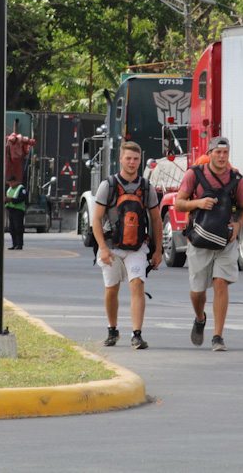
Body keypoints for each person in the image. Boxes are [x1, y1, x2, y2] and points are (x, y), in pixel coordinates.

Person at [175, 136, 243, 351]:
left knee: (220, 283)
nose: (222, 157)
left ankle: (218, 336)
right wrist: (199, 203)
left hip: (225, 240)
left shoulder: (236, 178)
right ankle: (200, 318)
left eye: (225, 153)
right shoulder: (194, 174)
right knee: (197, 291)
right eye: (217, 152)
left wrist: (238, 225)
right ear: (209, 153)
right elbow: (179, 203)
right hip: (199, 240)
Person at [92, 141, 163, 350]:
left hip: (137, 247)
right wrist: (102, 248)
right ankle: (112, 329)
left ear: (140, 160)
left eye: (136, 159)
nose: (132, 163)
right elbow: (96, 219)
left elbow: (156, 219)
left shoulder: (146, 187)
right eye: (128, 158)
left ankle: (137, 334)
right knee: (111, 289)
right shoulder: (109, 185)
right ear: (120, 159)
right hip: (112, 246)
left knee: (137, 285)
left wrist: (158, 250)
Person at [5, 176, 27, 250]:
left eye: (11, 182)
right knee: (12, 228)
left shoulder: (21, 188)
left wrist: (11, 199)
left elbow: (22, 198)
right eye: (9, 183)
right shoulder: (9, 189)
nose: (10, 184)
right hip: (11, 210)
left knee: (18, 228)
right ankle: (14, 244)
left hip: (18, 210)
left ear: (15, 182)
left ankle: (19, 244)